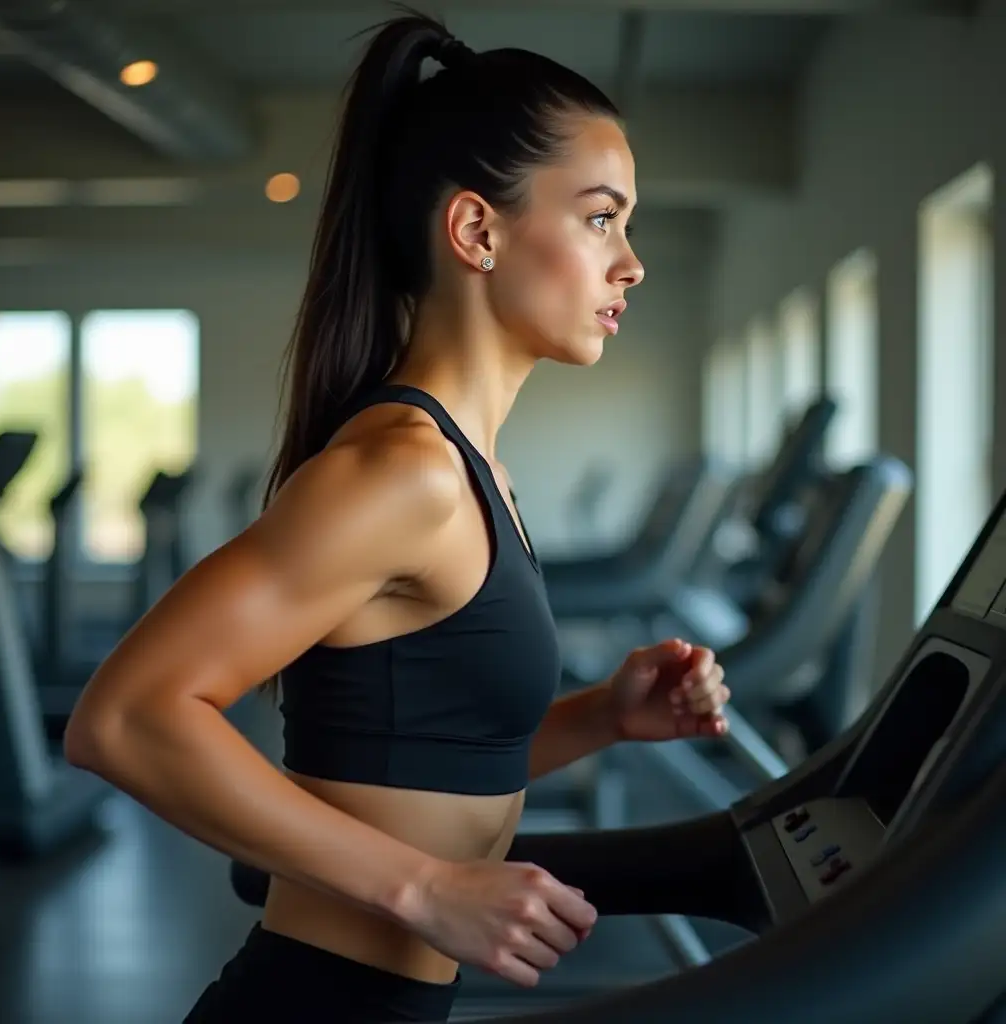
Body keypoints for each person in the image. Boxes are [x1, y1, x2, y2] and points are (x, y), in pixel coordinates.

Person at [63, 10, 731, 1024]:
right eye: (601, 218)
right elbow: (124, 718)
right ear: (475, 230)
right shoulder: (402, 471)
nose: (628, 262)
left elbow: (408, 762)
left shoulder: (477, 474)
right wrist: (423, 890)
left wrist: (601, 717)